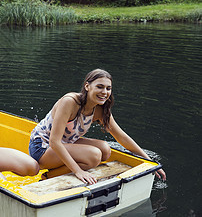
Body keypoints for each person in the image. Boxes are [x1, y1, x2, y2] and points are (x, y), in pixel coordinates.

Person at [29, 69, 166, 184]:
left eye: (108, 88)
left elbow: (121, 137)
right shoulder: (70, 102)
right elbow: (54, 141)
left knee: (105, 150)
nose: (104, 92)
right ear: (87, 86)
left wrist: (149, 161)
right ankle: (48, 176)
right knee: (94, 156)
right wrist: (78, 171)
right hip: (42, 147)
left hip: (65, 143)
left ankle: (58, 170)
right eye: (99, 87)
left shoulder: (100, 109)